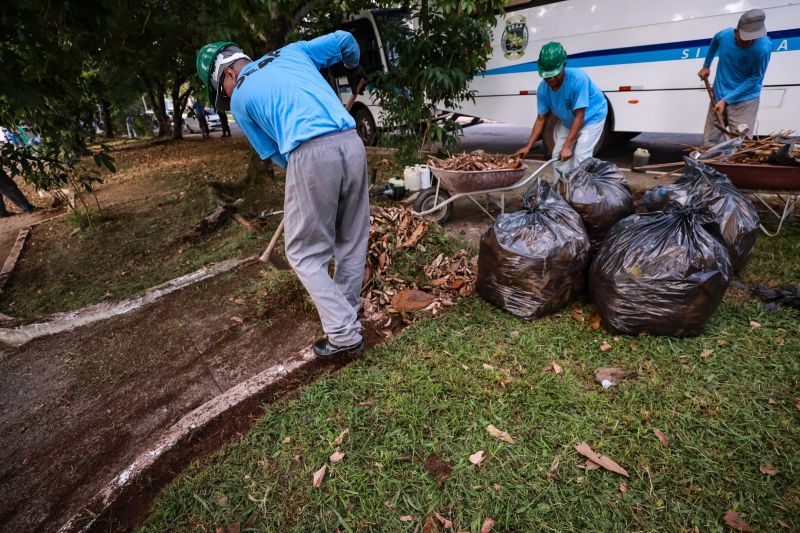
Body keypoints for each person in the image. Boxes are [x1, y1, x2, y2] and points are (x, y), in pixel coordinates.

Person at [196, 33, 370, 358]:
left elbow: (275, 154)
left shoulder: (240, 99)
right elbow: (346, 39)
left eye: (223, 90)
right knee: (351, 240)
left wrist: (308, 171)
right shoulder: (293, 52)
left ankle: (344, 333)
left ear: (228, 74)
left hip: (308, 152)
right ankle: (347, 315)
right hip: (351, 140)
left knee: (303, 254)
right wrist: (353, 64)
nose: (227, 95)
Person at [514, 42, 608, 175]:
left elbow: (580, 116)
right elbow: (541, 119)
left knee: (581, 157)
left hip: (592, 117)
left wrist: (567, 146)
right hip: (569, 120)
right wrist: (528, 147)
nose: (551, 79)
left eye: (555, 75)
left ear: (564, 65)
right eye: (547, 75)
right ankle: (561, 192)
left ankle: (582, 193)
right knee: (557, 158)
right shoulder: (543, 89)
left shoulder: (578, 79)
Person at [698, 9, 772, 147]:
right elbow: (715, 41)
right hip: (719, 95)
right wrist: (706, 65)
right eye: (744, 37)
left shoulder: (763, 48)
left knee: (740, 145)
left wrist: (726, 100)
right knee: (708, 142)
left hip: (745, 101)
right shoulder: (725, 35)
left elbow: (755, 78)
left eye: (752, 38)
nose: (748, 42)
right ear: (737, 30)